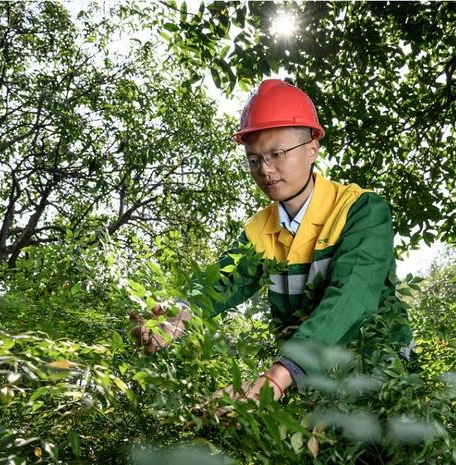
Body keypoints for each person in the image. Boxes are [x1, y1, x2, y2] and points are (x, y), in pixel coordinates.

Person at [130, 79, 413, 403]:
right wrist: (176, 316)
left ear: (312, 149)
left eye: (277, 154)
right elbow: (219, 283)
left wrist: (278, 376)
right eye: (254, 159)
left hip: (385, 384)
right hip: (312, 392)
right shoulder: (258, 231)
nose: (265, 170)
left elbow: (353, 296)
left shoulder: (360, 210)